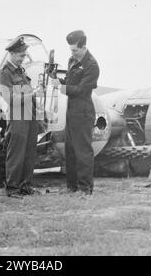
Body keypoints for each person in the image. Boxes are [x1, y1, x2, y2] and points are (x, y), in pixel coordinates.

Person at [52, 30, 100, 195]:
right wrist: (59, 81)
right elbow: (72, 82)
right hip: (72, 111)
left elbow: (80, 89)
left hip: (83, 112)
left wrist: (62, 87)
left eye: (75, 50)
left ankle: (85, 189)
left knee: (83, 151)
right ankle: (72, 187)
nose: (72, 53)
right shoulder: (72, 60)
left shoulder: (92, 65)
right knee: (71, 150)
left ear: (84, 47)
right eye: (71, 50)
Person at [0, 36, 39, 197]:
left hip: (30, 116)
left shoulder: (21, 71)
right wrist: (32, 94)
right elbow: (10, 99)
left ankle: (25, 186)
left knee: (29, 152)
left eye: (24, 55)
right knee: (16, 153)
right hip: (17, 117)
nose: (23, 59)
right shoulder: (4, 74)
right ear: (12, 54)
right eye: (21, 56)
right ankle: (13, 188)